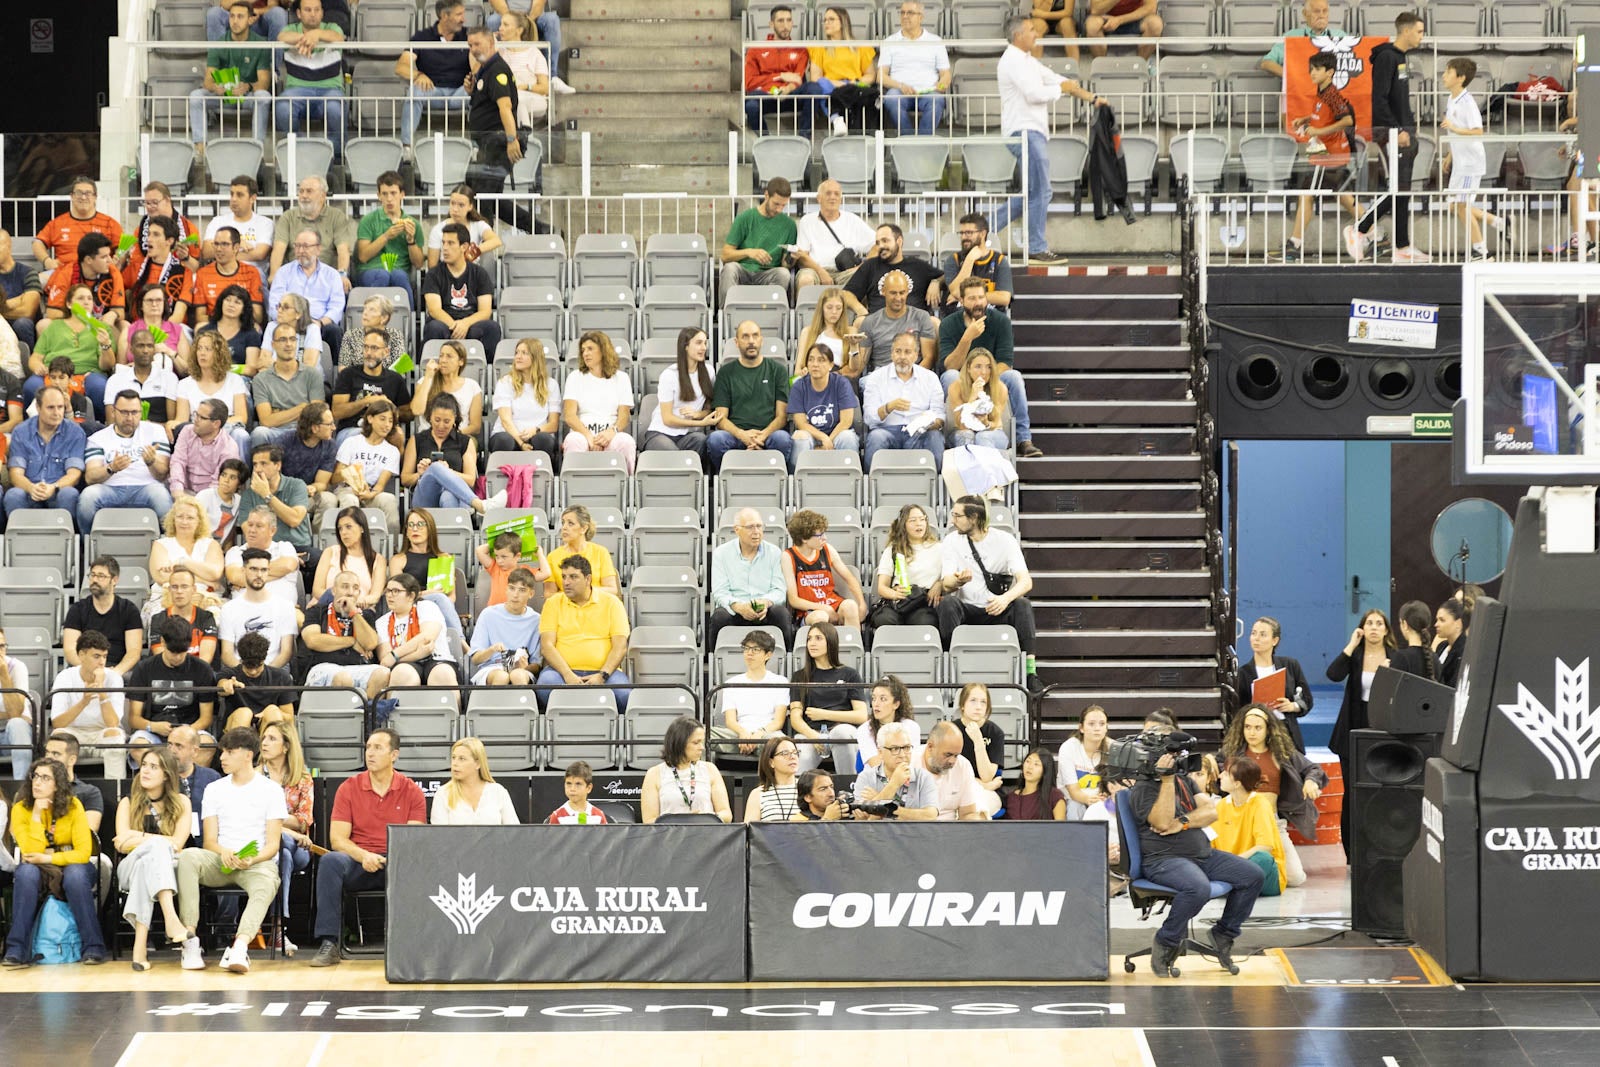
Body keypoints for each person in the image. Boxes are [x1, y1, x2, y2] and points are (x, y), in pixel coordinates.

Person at [1122, 741, 1264, 976]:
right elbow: (1161, 822)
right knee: (1198, 888)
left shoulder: (1184, 780)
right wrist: (1166, 781)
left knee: (1252, 875)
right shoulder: (1143, 788)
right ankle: (1166, 941)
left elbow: (1211, 812)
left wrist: (1184, 822)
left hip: (1202, 855)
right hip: (1162, 860)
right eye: (1171, 757)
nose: (1178, 762)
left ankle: (1224, 933)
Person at [309, 728, 427, 966]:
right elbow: (338, 840)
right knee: (331, 861)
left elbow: (413, 840)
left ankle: (418, 942)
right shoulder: (349, 788)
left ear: (394, 755)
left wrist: (387, 858)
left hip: (397, 862)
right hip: (358, 861)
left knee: (423, 863)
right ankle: (329, 942)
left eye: (378, 748)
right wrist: (364, 856)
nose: (370, 753)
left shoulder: (411, 790)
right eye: (368, 748)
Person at [994, 19, 1106, 265]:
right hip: (1025, 132)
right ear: (1018, 35)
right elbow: (1035, 94)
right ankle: (1036, 247)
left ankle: (982, 228)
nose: (1037, 33)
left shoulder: (1027, 61)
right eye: (1032, 30)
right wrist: (1061, 90)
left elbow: (1056, 79)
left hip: (1030, 133)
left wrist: (1091, 97)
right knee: (1041, 191)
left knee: (1033, 193)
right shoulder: (1013, 60)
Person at [174, 726, 284, 974]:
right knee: (189, 856)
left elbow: (273, 845)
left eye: (229, 752)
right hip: (219, 858)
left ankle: (240, 947)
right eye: (222, 752)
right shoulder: (215, 788)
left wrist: (252, 858)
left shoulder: (271, 790)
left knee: (268, 881)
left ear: (247, 755)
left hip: (255, 862)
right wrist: (224, 852)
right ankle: (190, 940)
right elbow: (209, 840)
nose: (221, 757)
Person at [3, 757, 107, 966]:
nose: (37, 782)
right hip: (40, 866)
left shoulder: (73, 805)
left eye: (45, 778)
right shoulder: (21, 808)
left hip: (72, 865)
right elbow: (31, 852)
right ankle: (16, 950)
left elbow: (83, 853)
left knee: (75, 875)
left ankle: (93, 947)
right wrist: (36, 813)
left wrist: (49, 857)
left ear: (57, 784)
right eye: (35, 776)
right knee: (26, 873)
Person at [1346, 13, 1427, 263]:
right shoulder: (1386, 58)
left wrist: (1409, 127)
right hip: (1391, 132)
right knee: (1397, 189)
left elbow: (1398, 99)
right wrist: (1397, 130)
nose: (1422, 36)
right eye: (1419, 31)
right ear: (1405, 31)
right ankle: (1359, 229)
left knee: (1402, 190)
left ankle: (1402, 246)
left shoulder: (1401, 58)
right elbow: (1378, 100)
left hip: (1404, 131)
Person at [938, 496, 1039, 689]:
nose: (952, 520)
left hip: (995, 608)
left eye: (958, 516)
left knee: (1022, 604)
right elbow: (946, 584)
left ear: (974, 518)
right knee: (947, 603)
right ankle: (950, 666)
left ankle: (1030, 672)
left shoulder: (1004, 540)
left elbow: (1026, 581)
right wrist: (958, 580)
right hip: (967, 610)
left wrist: (1005, 599)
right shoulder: (952, 540)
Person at [1219, 703, 1325, 887]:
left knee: (1295, 878)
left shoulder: (1282, 753)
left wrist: (1311, 781)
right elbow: (1212, 768)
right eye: (1248, 727)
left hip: (1272, 821)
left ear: (1268, 730)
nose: (1252, 732)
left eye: (1258, 728)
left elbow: (1313, 768)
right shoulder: (1232, 754)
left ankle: (1259, 875)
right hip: (1239, 821)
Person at [114, 747, 194, 970]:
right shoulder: (128, 802)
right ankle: (171, 919)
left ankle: (139, 950)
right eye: (144, 765)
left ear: (167, 774)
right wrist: (156, 841)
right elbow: (121, 843)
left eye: (153, 766)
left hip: (165, 868)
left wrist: (137, 836)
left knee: (147, 864)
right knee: (157, 848)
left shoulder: (181, 802)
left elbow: (178, 844)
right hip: (128, 868)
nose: (145, 771)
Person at [941, 279, 1040, 456]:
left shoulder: (1001, 321)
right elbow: (949, 365)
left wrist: (984, 378)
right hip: (963, 379)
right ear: (961, 301)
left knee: (1014, 376)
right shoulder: (948, 323)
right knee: (949, 376)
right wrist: (967, 338)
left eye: (981, 297)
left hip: (991, 376)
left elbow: (1004, 362)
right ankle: (952, 433)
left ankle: (1023, 439)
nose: (978, 302)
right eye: (971, 298)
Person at [1327, 607, 1395, 859]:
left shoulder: (1395, 657)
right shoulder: (1354, 656)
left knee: (1380, 790)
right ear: (1362, 629)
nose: (1374, 628)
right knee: (1351, 790)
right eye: (1369, 624)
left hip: (1382, 730)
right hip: (1352, 729)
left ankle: (1380, 844)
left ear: (1387, 629)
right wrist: (1350, 644)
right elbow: (1333, 675)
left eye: (1379, 623)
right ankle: (1351, 850)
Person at [1284, 53, 1359, 263]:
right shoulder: (1322, 92)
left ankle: (1294, 244)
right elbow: (1323, 116)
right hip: (1328, 152)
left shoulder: (1332, 95)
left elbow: (1346, 120)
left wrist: (1318, 131)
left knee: (1306, 195)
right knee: (1344, 196)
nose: (1312, 73)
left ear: (1330, 72)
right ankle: (1375, 234)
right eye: (1311, 69)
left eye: (1317, 69)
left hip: (1329, 155)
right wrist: (1306, 119)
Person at [537, 556, 632, 710]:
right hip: (560, 672)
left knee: (623, 695)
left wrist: (602, 676)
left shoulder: (612, 603)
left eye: (573, 577)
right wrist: (567, 675)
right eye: (564, 577)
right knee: (545, 686)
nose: (566, 582)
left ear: (588, 579)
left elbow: (620, 647)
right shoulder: (553, 603)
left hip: (605, 672)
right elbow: (547, 646)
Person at [125, 616, 218, 768]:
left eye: (182, 652)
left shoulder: (202, 669)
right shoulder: (144, 668)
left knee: (206, 745)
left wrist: (186, 731)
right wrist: (153, 726)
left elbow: (206, 717)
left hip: (190, 728)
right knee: (137, 745)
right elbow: (134, 718)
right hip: (153, 731)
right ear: (162, 642)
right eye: (173, 652)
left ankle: (188, 783)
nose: (177, 657)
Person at [78, 388, 173, 532]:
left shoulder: (156, 432)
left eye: (134, 412)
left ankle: (167, 545)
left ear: (141, 413)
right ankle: (88, 547)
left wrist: (151, 462)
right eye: (124, 412)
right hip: (110, 489)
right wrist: (111, 468)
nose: (129, 418)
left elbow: (162, 474)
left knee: (161, 496)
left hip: (146, 487)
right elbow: (90, 478)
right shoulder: (97, 438)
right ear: (113, 412)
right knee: (87, 498)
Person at [1441, 59, 1506, 261]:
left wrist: (1454, 128)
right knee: (1454, 205)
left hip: (1470, 164)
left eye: (1448, 72)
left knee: (1462, 206)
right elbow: (1457, 131)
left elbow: (1478, 131)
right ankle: (1498, 222)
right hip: (1460, 162)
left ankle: (1481, 252)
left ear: (1460, 78)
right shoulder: (1452, 99)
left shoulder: (1468, 102)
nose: (1444, 76)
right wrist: (1450, 155)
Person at [709, 320, 793, 472]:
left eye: (755, 336)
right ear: (736, 342)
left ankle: (773, 479)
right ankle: (729, 479)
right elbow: (720, 418)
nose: (751, 341)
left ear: (761, 340)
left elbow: (782, 416)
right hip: (735, 436)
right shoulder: (726, 373)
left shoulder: (777, 371)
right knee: (716, 440)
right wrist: (742, 435)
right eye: (745, 337)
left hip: (768, 435)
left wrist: (762, 436)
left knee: (783, 439)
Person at [191, 0, 275, 150]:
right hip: (223, 95)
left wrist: (248, 86)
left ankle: (258, 147)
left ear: (250, 19)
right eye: (232, 16)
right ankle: (201, 147)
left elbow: (264, 83)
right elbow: (208, 81)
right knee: (196, 96)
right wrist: (216, 88)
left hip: (246, 96)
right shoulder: (219, 44)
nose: (235, 21)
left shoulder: (261, 43)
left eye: (240, 17)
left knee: (264, 97)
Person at [257, 719, 311, 950]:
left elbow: (304, 820)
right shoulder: (254, 777)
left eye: (272, 738)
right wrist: (287, 826)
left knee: (286, 847)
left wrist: (278, 823)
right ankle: (279, 928)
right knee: (283, 853)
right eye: (264, 738)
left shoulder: (302, 778)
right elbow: (253, 820)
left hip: (300, 848)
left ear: (286, 746)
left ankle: (274, 928)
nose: (265, 743)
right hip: (260, 845)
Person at [709, 506, 795, 650]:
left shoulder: (774, 552)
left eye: (759, 526)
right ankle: (715, 664)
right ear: (737, 530)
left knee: (781, 614)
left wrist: (765, 602)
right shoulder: (721, 554)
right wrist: (739, 607)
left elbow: (779, 590)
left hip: (764, 610)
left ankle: (787, 661)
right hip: (735, 610)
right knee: (719, 617)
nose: (756, 532)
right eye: (750, 527)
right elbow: (720, 592)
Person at [403, 394, 502, 516]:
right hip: (425, 499)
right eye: (437, 420)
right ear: (430, 418)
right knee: (435, 468)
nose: (441, 426)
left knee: (448, 496)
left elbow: (471, 480)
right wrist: (421, 474)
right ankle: (479, 504)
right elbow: (405, 479)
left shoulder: (465, 442)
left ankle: (451, 531)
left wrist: (447, 471)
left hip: (455, 497)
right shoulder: (417, 440)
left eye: (446, 421)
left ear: (454, 419)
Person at [787, 620, 865, 775]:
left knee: (841, 733)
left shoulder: (849, 674)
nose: (812, 643)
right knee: (802, 755)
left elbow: (861, 715)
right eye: (809, 639)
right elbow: (795, 718)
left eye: (818, 638)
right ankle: (799, 796)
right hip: (811, 733)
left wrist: (824, 714)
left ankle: (849, 790)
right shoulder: (800, 676)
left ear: (831, 641)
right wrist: (815, 737)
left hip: (841, 730)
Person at [48, 630, 127, 782]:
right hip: (74, 734)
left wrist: (102, 692)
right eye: (96, 656)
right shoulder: (65, 677)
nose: (102, 662)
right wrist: (84, 701)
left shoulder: (114, 678)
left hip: (101, 734)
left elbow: (113, 724)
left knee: (115, 735)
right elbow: (57, 723)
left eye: (104, 656)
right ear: (81, 655)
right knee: (59, 736)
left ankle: (116, 792)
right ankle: (58, 792)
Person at [4, 384, 87, 524]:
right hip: (29, 490)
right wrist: (31, 488)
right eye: (50, 407)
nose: (57, 413)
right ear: (38, 407)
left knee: (69, 493)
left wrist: (53, 487)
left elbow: (74, 475)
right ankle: (21, 542)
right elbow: (15, 474)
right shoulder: (21, 432)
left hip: (58, 491)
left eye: (60, 407)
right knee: (13, 494)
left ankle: (65, 541)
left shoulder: (75, 433)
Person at [863, 332, 946, 471]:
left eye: (907, 352)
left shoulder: (930, 378)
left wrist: (931, 422)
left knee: (935, 437)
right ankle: (871, 486)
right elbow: (869, 419)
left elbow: (939, 414)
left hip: (919, 432)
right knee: (876, 437)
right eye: (898, 351)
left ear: (916, 354)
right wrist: (888, 408)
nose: (902, 357)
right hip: (887, 431)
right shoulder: (876, 378)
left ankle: (935, 484)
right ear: (891, 354)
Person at [302, 569, 390, 701]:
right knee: (343, 677)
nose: (350, 592)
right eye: (344, 587)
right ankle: (347, 719)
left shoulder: (365, 615)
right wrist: (352, 642)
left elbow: (370, 644)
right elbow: (312, 640)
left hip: (357, 668)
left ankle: (366, 714)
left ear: (359, 593)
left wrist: (353, 612)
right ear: (333, 590)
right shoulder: (317, 611)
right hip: (323, 667)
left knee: (383, 673)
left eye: (355, 588)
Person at [28, 283, 115, 415]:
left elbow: (107, 365)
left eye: (89, 299)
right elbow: (35, 358)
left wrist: (105, 345)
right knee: (31, 385)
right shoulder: (54, 326)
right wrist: (38, 367)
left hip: (87, 374)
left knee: (99, 386)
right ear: (69, 304)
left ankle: (97, 427)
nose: (86, 302)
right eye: (80, 298)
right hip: (53, 374)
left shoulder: (101, 328)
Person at [275, 0, 347, 157]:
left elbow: (339, 37)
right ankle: (299, 150)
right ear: (299, 13)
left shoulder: (332, 28)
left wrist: (317, 34)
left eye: (316, 10)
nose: (313, 14)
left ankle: (334, 157)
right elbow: (281, 37)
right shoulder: (291, 29)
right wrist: (307, 38)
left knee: (336, 108)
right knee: (282, 107)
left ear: (322, 13)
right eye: (308, 10)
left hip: (330, 90)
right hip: (297, 90)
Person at [397, 0, 472, 148]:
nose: (463, 19)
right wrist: (418, 75)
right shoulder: (422, 37)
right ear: (444, 16)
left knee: (479, 92)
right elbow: (401, 67)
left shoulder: (469, 36)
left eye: (463, 14)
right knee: (414, 91)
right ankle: (406, 147)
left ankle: (478, 147)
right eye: (459, 14)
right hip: (433, 91)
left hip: (461, 91)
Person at [641, 327, 720, 466]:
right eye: (698, 343)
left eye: (705, 343)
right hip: (661, 433)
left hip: (687, 435)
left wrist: (698, 414)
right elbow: (668, 419)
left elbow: (710, 407)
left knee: (701, 440)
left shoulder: (709, 371)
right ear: (685, 346)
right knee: (675, 457)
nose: (703, 347)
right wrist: (700, 423)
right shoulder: (670, 374)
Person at [464, 24, 526, 200]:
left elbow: (505, 107)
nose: (474, 49)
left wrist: (511, 139)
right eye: (470, 45)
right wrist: (471, 91)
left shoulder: (497, 70)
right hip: (487, 144)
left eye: (477, 44)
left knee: (483, 197)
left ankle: (486, 228)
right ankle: (543, 229)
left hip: (498, 143)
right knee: (485, 197)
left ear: (491, 42)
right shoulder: (484, 69)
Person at [1212, 756, 1289, 895]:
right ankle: (1230, 884)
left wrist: (1233, 862)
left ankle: (1227, 885)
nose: (1220, 775)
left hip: (1262, 875)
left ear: (1237, 784)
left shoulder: (1260, 804)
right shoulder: (1221, 806)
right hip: (1233, 868)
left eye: (1226, 773)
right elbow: (1211, 845)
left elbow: (1265, 847)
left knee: (1262, 859)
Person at [1235, 616, 1314, 752]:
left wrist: (1292, 706)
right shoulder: (1242, 673)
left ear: (1275, 640)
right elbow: (1238, 709)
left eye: (1263, 634)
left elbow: (1307, 699)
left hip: (1286, 732)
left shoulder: (1290, 665)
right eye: (1253, 633)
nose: (1256, 638)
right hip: (1258, 735)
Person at [422, 222, 501, 352]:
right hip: (445, 323)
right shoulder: (433, 274)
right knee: (434, 328)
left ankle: (487, 370)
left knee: (492, 327)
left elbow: (485, 311)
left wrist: (465, 323)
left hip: (471, 323)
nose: (445, 248)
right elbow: (434, 310)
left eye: (450, 243)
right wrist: (455, 326)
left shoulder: (479, 273)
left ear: (464, 247)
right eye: (443, 243)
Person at [782, 508, 866, 629]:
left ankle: (852, 646)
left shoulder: (827, 549)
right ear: (804, 539)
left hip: (831, 602)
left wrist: (862, 604)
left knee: (851, 606)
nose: (824, 538)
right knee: (820, 617)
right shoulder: (789, 556)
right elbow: (794, 600)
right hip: (809, 610)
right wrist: (823, 608)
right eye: (819, 535)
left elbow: (850, 578)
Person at [268, 230, 347, 358]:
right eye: (297, 246)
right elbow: (274, 305)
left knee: (334, 331)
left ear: (318, 249)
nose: (300, 251)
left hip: (320, 323)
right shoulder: (283, 272)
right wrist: (290, 320)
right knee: (273, 328)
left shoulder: (332, 275)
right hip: (289, 323)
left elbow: (336, 307)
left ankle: (336, 373)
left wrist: (320, 323)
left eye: (305, 246)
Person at [218, 547, 299, 670]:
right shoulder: (229, 609)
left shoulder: (285, 606)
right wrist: (247, 672)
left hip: (275, 671)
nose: (259, 575)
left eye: (264, 570)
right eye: (253, 569)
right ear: (243, 570)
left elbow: (286, 652)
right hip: (239, 671)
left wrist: (263, 673)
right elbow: (227, 653)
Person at [377, 573, 460, 693]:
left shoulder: (427, 607)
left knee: (442, 674)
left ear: (411, 595)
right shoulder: (382, 621)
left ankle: (450, 711)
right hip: (405, 664)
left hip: (436, 659)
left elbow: (427, 637)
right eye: (388, 591)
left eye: (395, 591)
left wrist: (395, 655)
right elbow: (385, 660)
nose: (390, 595)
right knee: (402, 673)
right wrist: (417, 654)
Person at [390, 507, 465, 638]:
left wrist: (436, 604)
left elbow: (451, 597)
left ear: (429, 529)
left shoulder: (444, 558)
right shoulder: (398, 560)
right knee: (439, 597)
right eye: (411, 525)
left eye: (420, 524)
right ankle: (461, 642)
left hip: (440, 608)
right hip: (411, 606)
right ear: (406, 532)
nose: (415, 529)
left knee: (441, 599)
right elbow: (397, 595)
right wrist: (428, 594)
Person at [878, 1, 950, 136]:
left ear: (921, 17)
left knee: (937, 100)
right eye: (902, 13)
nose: (905, 16)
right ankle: (908, 140)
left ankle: (922, 141)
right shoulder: (889, 42)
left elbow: (946, 73)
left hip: (928, 92)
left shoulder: (935, 41)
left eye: (910, 13)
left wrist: (942, 83)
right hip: (900, 91)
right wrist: (900, 85)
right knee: (891, 98)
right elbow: (881, 76)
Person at [641, 716, 733, 823]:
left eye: (702, 742)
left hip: (706, 834)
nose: (701, 747)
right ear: (680, 743)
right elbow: (649, 821)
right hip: (669, 836)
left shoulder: (710, 769)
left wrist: (704, 818)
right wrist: (682, 821)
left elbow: (726, 814)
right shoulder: (654, 774)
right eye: (696, 743)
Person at [713, 629, 789, 758]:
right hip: (737, 735)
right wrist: (743, 734)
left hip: (767, 736)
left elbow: (778, 721)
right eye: (746, 648)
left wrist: (758, 735)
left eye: (756, 649)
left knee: (781, 744)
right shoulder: (732, 683)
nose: (749, 653)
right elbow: (730, 721)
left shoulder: (780, 682)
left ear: (768, 655)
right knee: (697, 734)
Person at [333, 328, 414, 446]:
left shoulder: (395, 379)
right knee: (362, 438)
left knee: (398, 435)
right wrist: (367, 401)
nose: (369, 353)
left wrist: (390, 409)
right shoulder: (348, 374)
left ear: (386, 352)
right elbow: (337, 412)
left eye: (374, 348)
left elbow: (408, 414)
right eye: (366, 347)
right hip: (352, 430)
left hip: (383, 430)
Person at [65, 558, 145, 677]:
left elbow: (134, 652)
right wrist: (87, 670)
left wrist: (115, 672)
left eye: (101, 576)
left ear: (114, 580)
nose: (94, 580)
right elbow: (70, 650)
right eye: (92, 575)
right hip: (85, 668)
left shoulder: (129, 610)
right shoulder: (77, 609)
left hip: (118, 669)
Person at [850, 270, 938, 378]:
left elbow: (929, 357)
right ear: (883, 291)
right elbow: (860, 365)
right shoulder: (870, 322)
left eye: (902, 293)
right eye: (893, 293)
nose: (898, 298)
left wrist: (908, 378)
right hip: (880, 375)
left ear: (907, 292)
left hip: (914, 373)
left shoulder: (921, 317)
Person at [252, 324, 327, 449]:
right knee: (259, 433)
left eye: (292, 339)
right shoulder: (261, 379)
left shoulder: (312, 374)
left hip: (304, 430)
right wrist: (303, 407)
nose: (289, 344)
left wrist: (278, 413)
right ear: (273, 345)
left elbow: (316, 415)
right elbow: (266, 421)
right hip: (275, 431)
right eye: (282, 340)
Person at [334, 400, 403, 535]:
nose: (387, 425)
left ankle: (393, 547)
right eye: (382, 419)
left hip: (371, 492)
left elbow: (380, 485)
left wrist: (369, 494)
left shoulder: (392, 451)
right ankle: (350, 543)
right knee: (350, 500)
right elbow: (335, 478)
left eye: (390, 421)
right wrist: (350, 473)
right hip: (347, 490)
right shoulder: (352, 442)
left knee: (389, 499)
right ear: (370, 418)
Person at [173, 341, 250, 463]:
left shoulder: (235, 380)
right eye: (199, 349)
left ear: (220, 354)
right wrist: (170, 424)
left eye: (208, 349)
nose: (202, 353)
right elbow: (181, 419)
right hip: (197, 429)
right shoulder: (185, 384)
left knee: (241, 435)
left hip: (227, 427)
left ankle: (242, 478)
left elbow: (241, 417)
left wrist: (214, 427)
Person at [844, 224, 943, 318]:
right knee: (859, 322)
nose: (881, 246)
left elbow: (944, 277)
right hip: (878, 324)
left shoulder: (918, 265)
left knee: (935, 323)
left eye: (885, 241)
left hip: (915, 323)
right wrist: (861, 310)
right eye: (878, 243)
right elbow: (846, 294)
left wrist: (936, 282)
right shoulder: (870, 266)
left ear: (899, 241)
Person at [34, 176, 123, 278]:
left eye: (88, 193)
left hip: (98, 274)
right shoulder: (57, 223)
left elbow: (122, 249)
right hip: (62, 273)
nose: (83, 197)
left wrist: (118, 259)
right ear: (71, 196)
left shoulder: (109, 223)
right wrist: (47, 261)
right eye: (79, 193)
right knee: (36, 282)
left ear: (95, 197)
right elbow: (38, 243)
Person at [271, 176, 356, 283]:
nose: (304, 196)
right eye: (301, 191)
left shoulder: (336, 216)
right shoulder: (288, 217)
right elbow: (279, 249)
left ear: (323, 196)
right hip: (295, 277)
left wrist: (342, 275)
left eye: (309, 191)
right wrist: (274, 276)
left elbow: (343, 250)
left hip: (327, 277)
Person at [871, 502, 943, 630]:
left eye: (922, 519)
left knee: (925, 622)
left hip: (923, 602)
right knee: (885, 620)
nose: (919, 524)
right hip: (900, 602)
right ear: (903, 525)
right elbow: (882, 587)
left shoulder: (939, 549)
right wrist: (894, 594)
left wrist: (939, 584)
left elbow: (950, 578)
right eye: (912, 520)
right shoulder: (893, 549)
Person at [353, 171, 424, 299]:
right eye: (384, 194)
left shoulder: (413, 224)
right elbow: (363, 256)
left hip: (399, 270)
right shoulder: (368, 220)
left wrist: (411, 240)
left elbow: (419, 264)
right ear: (379, 196)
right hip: (370, 270)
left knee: (399, 276)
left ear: (402, 194)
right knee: (382, 275)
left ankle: (408, 317)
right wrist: (386, 236)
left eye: (393, 193)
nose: (389, 199)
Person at [720, 178, 798, 295]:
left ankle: (772, 309)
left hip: (769, 273)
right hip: (743, 270)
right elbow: (725, 255)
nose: (779, 209)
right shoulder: (745, 218)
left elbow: (785, 265)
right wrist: (749, 252)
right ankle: (727, 311)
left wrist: (792, 258)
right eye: (776, 204)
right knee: (730, 269)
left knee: (783, 273)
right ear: (766, 195)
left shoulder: (789, 225)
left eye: (783, 205)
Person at [149, 495, 226, 611]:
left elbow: (214, 573)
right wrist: (203, 580)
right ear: (173, 519)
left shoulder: (211, 544)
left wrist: (183, 562)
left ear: (199, 521)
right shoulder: (161, 544)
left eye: (190, 518)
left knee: (213, 613)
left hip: (204, 598)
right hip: (168, 598)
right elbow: (162, 577)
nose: (184, 522)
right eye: (180, 516)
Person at [235, 443, 313, 558]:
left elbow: (294, 519)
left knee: (318, 559)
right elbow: (249, 533)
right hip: (263, 549)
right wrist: (279, 555)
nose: (258, 469)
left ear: (277, 465)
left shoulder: (297, 485)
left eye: (263, 464)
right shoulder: (248, 494)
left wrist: (266, 495)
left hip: (298, 546)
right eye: (255, 464)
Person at [489, 337, 561, 461]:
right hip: (509, 434)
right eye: (517, 353)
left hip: (536, 435)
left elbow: (553, 424)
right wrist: (520, 442)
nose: (518, 356)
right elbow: (505, 420)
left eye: (524, 353)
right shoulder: (505, 382)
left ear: (535, 357)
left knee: (544, 439)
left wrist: (536, 430)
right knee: (504, 440)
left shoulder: (551, 384)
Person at [794, 181, 875, 290]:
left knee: (863, 276)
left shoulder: (852, 220)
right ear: (819, 198)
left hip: (844, 272)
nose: (833, 197)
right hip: (815, 270)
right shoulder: (807, 221)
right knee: (806, 279)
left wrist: (860, 268)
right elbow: (802, 257)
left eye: (837, 194)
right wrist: (820, 272)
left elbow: (878, 244)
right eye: (828, 193)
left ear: (841, 199)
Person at [743, 7, 811, 135]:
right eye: (780, 21)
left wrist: (787, 89)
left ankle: (804, 139)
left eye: (789, 20)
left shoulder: (800, 50)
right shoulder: (756, 49)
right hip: (767, 96)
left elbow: (797, 78)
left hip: (792, 96)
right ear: (771, 24)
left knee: (813, 89)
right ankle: (765, 142)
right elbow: (750, 82)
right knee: (750, 103)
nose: (785, 25)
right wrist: (780, 76)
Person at [468, 567, 542, 685]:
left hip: (522, 671)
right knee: (501, 676)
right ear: (506, 589)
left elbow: (537, 665)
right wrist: (491, 650)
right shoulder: (488, 614)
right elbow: (475, 659)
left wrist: (524, 667)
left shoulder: (537, 620)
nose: (515, 595)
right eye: (512, 588)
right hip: (491, 669)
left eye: (522, 590)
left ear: (531, 594)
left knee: (518, 675)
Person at [102, 327, 181, 437]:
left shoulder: (169, 378)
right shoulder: (115, 380)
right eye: (140, 346)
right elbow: (111, 423)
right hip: (123, 438)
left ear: (154, 349)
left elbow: (170, 423)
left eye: (149, 346)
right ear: (131, 349)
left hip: (158, 436)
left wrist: (150, 427)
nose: (145, 350)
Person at [787, 342, 860, 462]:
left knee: (848, 437)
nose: (815, 364)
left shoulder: (841, 383)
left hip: (837, 433)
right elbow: (801, 423)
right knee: (800, 437)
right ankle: (799, 478)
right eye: (811, 360)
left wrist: (828, 441)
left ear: (831, 365)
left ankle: (849, 476)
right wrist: (822, 438)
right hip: (812, 435)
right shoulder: (799, 386)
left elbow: (846, 421)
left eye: (821, 360)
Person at [853, 720, 938, 818]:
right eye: (894, 749)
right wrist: (893, 784)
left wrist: (881, 804)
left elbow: (930, 817)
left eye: (906, 747)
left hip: (914, 833)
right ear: (880, 752)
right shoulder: (866, 777)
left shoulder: (923, 777)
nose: (902, 755)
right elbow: (868, 823)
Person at [216, 631, 295, 732]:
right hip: (237, 725)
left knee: (272, 712)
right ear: (241, 660)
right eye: (248, 666)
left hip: (269, 728)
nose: (253, 671)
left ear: (264, 659)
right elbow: (221, 685)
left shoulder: (281, 677)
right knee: (244, 714)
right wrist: (226, 686)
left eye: (258, 666)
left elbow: (289, 718)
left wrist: (269, 713)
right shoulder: (229, 674)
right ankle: (239, 746)